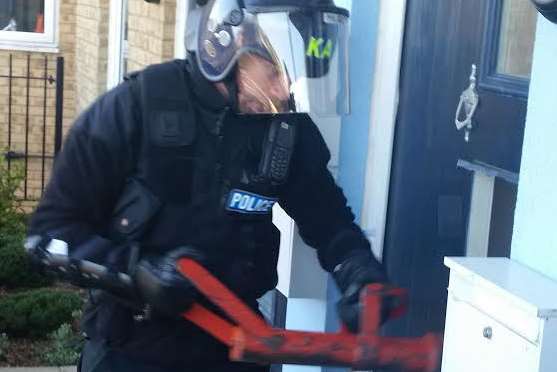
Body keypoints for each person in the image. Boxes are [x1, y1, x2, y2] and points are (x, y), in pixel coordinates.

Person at [26, 0, 391, 371]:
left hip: (236, 348)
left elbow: (329, 222)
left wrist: (359, 272)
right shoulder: (133, 108)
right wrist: (137, 273)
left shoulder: (285, 129)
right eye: (274, 71)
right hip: (133, 347)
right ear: (223, 46)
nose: (284, 90)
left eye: (295, 72)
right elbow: (48, 238)